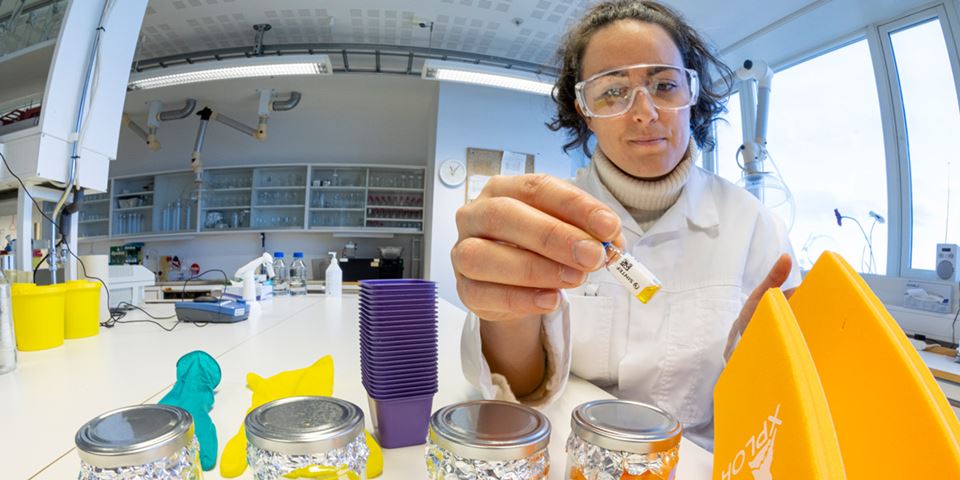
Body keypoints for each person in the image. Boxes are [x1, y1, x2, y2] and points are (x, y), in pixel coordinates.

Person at [452, 0, 800, 451]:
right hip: (569, 456)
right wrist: (506, 311)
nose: (644, 113)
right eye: (613, 91)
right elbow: (519, 388)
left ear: (691, 96)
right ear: (584, 110)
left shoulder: (754, 226)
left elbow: (774, 403)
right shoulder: (542, 221)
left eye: (664, 84)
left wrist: (760, 357)